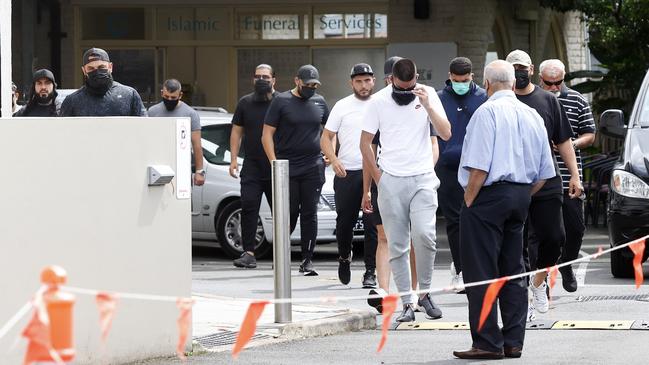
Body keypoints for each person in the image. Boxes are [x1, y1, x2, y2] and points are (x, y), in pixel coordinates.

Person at [453, 59, 556, 360]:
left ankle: (486, 341)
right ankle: (513, 341)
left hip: (487, 196)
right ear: (513, 83)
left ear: (485, 84)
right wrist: (521, 193)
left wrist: (469, 200)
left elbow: (479, 167)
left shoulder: (486, 112)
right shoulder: (532, 114)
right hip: (521, 195)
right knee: (513, 269)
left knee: (481, 271)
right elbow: (544, 172)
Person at [360, 58, 451, 322]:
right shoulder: (378, 101)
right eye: (400, 89)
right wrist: (379, 178)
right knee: (398, 245)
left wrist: (428, 106)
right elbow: (364, 142)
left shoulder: (428, 94)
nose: (405, 94)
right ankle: (407, 303)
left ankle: (424, 293)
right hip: (391, 179)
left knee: (425, 236)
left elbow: (446, 134)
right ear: (391, 81)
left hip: (422, 177)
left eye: (409, 88)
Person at [506, 50, 582, 316]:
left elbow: (562, 141)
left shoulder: (548, 100)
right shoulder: (500, 101)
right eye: (513, 67)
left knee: (555, 237)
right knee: (520, 242)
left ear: (531, 68)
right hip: (512, 181)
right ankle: (522, 299)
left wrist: (574, 174)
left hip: (546, 178)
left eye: (522, 67)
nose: (518, 71)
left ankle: (538, 282)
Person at [363, 56, 426, 312]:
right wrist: (370, 185)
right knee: (384, 236)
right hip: (386, 177)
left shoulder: (421, 102)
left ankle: (412, 293)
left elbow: (435, 142)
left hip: (414, 178)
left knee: (411, 238)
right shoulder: (379, 105)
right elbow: (368, 148)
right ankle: (384, 291)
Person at [262, 64, 329, 276]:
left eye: (315, 85)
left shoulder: (319, 102)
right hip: (287, 167)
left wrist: (330, 153)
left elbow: (330, 132)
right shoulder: (281, 101)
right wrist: (274, 163)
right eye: (308, 84)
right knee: (288, 213)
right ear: (297, 80)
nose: (311, 88)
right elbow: (266, 135)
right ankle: (280, 256)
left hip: (313, 166)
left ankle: (307, 260)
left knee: (310, 213)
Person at [539, 59, 596, 292]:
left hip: (569, 175)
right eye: (549, 83)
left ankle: (567, 263)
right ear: (540, 79)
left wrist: (570, 143)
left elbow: (590, 134)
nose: (554, 88)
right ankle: (539, 277)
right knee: (543, 232)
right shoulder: (531, 100)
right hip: (541, 178)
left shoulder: (576, 99)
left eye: (558, 83)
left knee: (575, 227)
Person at [320, 63, 377, 287]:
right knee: (345, 223)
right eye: (358, 81)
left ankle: (370, 271)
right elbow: (325, 137)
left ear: (373, 80)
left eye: (367, 81)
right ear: (351, 83)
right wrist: (334, 160)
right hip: (348, 173)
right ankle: (344, 257)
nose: (363, 86)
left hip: (374, 173)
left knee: (373, 224)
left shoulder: (382, 103)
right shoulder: (342, 106)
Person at [436, 57, 488, 291]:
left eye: (465, 81)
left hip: (476, 167)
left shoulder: (482, 97)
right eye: (456, 80)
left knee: (477, 218)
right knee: (454, 221)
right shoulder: (439, 98)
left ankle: (477, 268)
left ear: (471, 78)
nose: (460, 84)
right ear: (449, 76)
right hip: (447, 166)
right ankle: (460, 269)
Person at [229, 64, 277, 269]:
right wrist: (232, 160)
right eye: (258, 76)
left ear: (274, 80)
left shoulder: (282, 102)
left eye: (266, 77)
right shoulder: (245, 103)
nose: (262, 80)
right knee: (249, 207)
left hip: (277, 166)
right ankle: (248, 253)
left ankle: (282, 254)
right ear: (253, 79)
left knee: (283, 211)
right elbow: (236, 132)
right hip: (252, 166)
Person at [148, 78, 205, 187]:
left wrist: (199, 172)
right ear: (161, 93)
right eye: (166, 97)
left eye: (173, 97)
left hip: (181, 167)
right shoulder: (152, 112)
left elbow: (197, 145)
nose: (169, 100)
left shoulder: (191, 114)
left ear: (180, 95)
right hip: (157, 166)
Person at [60, 48, 147, 117]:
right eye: (91, 68)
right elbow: (63, 133)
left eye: (101, 67)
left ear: (110, 67)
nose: (97, 71)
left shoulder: (129, 95)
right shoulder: (72, 101)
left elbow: (144, 128)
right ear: (84, 71)